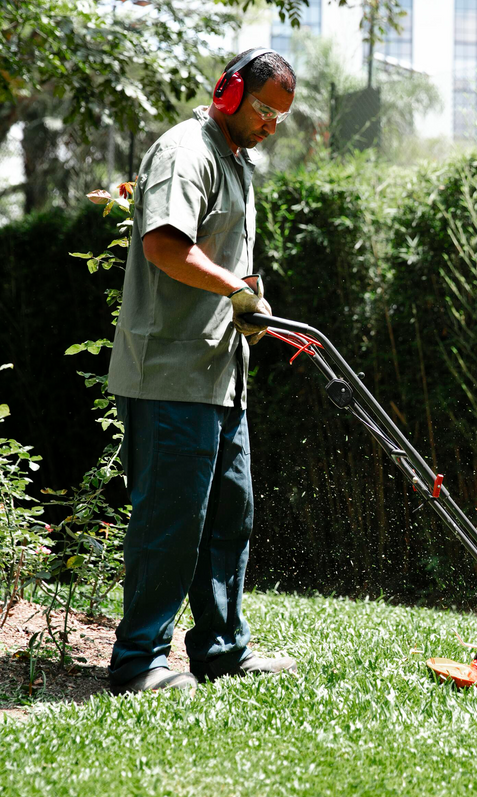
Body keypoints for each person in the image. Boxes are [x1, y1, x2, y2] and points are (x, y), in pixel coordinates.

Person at [106, 49, 297, 695]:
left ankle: (219, 649)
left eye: (281, 116)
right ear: (231, 92)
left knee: (228, 516)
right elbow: (164, 243)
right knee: (171, 518)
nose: (272, 123)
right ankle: (138, 660)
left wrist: (250, 302)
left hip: (221, 376)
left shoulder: (237, 165)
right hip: (168, 374)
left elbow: (221, 266)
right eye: (265, 108)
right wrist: (232, 290)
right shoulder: (186, 150)